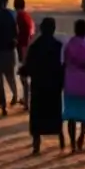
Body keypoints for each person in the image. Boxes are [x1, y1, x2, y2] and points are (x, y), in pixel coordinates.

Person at [19, 17, 66, 155]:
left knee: (37, 116)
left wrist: (24, 71)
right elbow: (63, 66)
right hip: (54, 85)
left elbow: (28, 67)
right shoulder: (58, 46)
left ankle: (36, 144)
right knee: (55, 113)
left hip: (38, 85)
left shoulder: (35, 46)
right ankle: (61, 139)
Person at [62, 19, 85, 153]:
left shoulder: (69, 43)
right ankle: (81, 137)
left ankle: (72, 143)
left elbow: (64, 62)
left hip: (71, 83)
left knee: (71, 115)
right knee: (84, 114)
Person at [15, 0, 35, 110]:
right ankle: (26, 98)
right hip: (27, 47)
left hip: (23, 49)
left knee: (24, 76)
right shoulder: (27, 16)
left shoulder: (19, 17)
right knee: (24, 76)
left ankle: (27, 101)